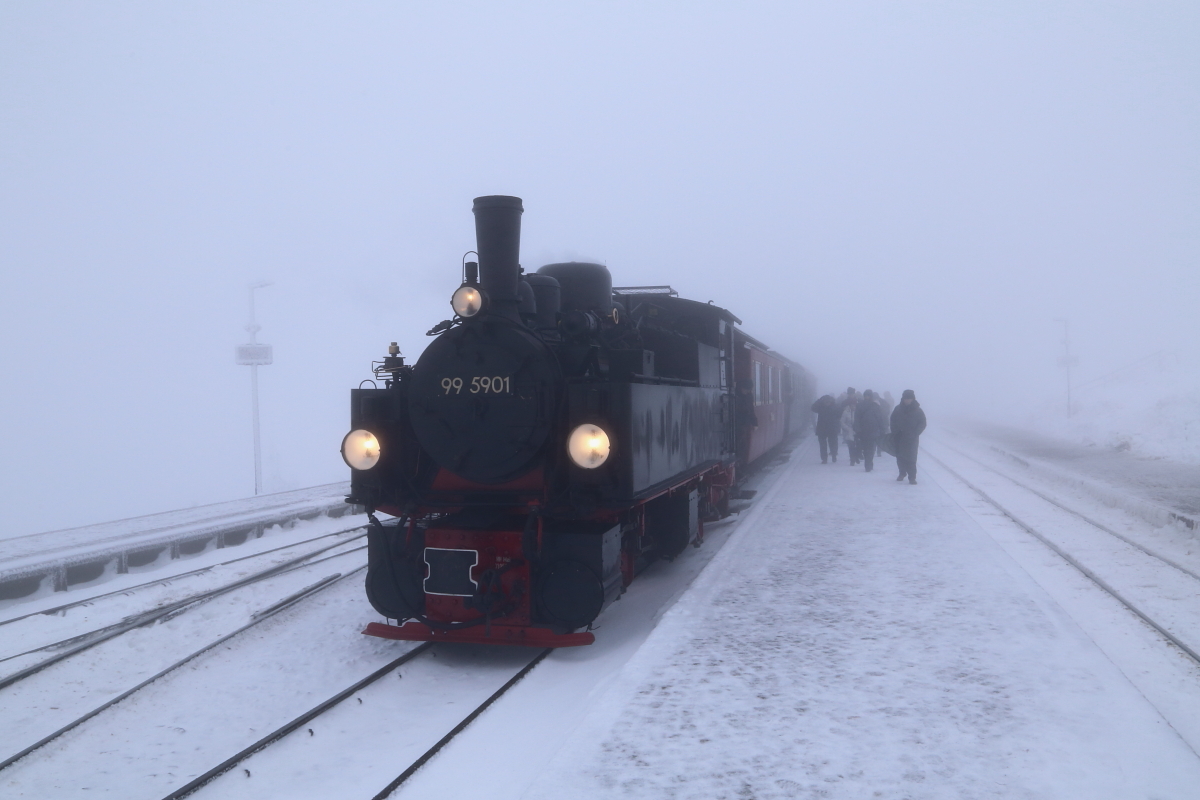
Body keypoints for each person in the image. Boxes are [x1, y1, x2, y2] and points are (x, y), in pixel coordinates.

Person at [890, 389, 927, 484]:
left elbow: (923, 423)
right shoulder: (897, 409)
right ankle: (902, 473)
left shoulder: (918, 411)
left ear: (913, 399)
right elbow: (892, 420)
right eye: (905, 398)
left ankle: (912, 477)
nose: (907, 400)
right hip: (899, 436)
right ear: (903, 399)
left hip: (912, 438)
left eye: (909, 398)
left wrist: (915, 433)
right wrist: (894, 431)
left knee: (911, 458)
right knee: (900, 456)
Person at [854, 389, 886, 473]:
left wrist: (882, 429)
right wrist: (857, 429)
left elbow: (880, 419)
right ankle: (868, 464)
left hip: (871, 430)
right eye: (866, 395)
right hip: (865, 430)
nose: (867, 397)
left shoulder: (870, 406)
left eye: (868, 395)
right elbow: (857, 418)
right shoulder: (871, 406)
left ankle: (868, 464)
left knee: (870, 448)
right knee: (867, 448)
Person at [811, 394, 840, 463]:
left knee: (832, 443)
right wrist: (819, 400)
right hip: (824, 428)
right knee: (824, 444)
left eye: (828, 402)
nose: (827, 403)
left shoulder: (832, 406)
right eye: (826, 402)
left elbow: (839, 414)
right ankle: (825, 458)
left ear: (830, 402)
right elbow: (812, 408)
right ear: (823, 402)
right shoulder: (822, 406)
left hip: (829, 428)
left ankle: (833, 455)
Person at [840, 392, 859, 466]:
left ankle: (856, 456)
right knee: (851, 446)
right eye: (852, 405)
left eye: (854, 405)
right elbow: (842, 422)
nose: (853, 406)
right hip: (849, 431)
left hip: (857, 431)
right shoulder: (846, 412)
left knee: (857, 446)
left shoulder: (858, 412)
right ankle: (852, 459)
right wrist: (847, 428)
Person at [877, 391, 895, 456]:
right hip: (888, 415)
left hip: (886, 416)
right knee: (887, 430)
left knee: (885, 431)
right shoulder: (890, 400)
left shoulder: (885, 400)